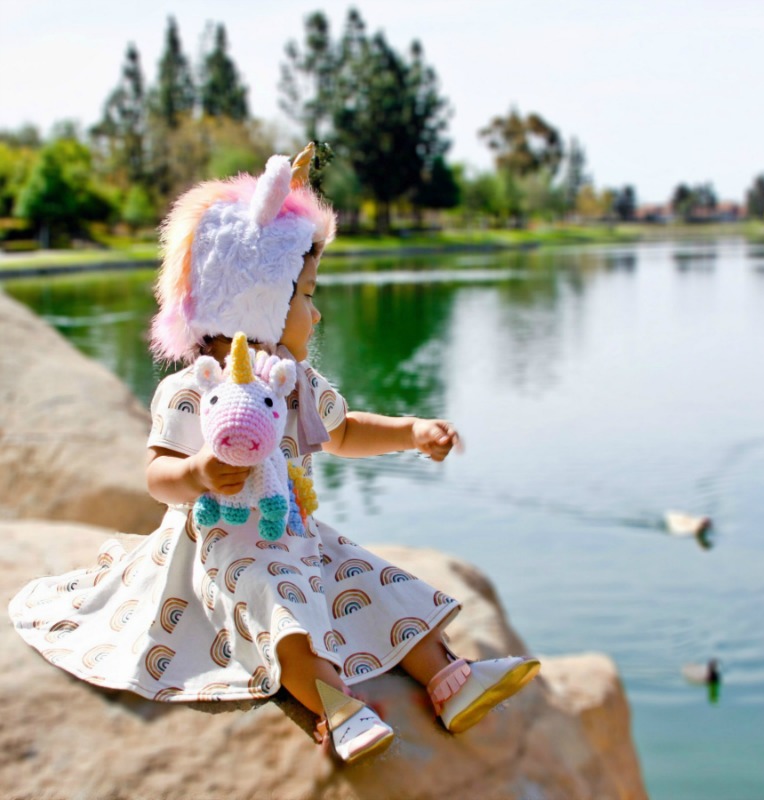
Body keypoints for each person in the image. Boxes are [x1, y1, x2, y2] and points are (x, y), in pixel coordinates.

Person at [8, 144, 540, 764]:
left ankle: (448, 679)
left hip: (295, 533)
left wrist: (410, 431)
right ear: (254, 299)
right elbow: (157, 477)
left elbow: (344, 433)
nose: (316, 313)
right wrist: (197, 472)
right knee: (277, 609)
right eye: (305, 296)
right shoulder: (192, 389)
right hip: (220, 548)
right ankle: (336, 710)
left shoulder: (292, 382)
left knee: (369, 581)